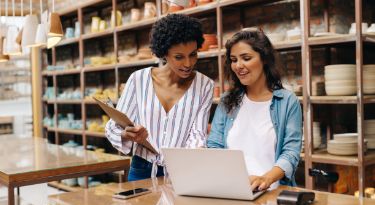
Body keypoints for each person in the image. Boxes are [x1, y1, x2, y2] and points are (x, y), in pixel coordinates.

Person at [105, 14, 214, 181]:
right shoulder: (138, 80)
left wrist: (194, 161)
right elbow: (113, 127)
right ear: (164, 53)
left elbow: (197, 134)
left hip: (182, 171)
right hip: (141, 169)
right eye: (179, 57)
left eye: (193, 54)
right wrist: (128, 134)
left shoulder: (205, 85)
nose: (188, 63)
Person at [206, 29, 302, 190]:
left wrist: (265, 179)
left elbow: (290, 153)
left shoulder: (287, 101)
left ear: (264, 59)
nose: (238, 66)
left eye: (246, 58)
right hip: (233, 190)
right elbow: (214, 146)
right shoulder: (227, 100)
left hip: (271, 191)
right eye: (234, 60)